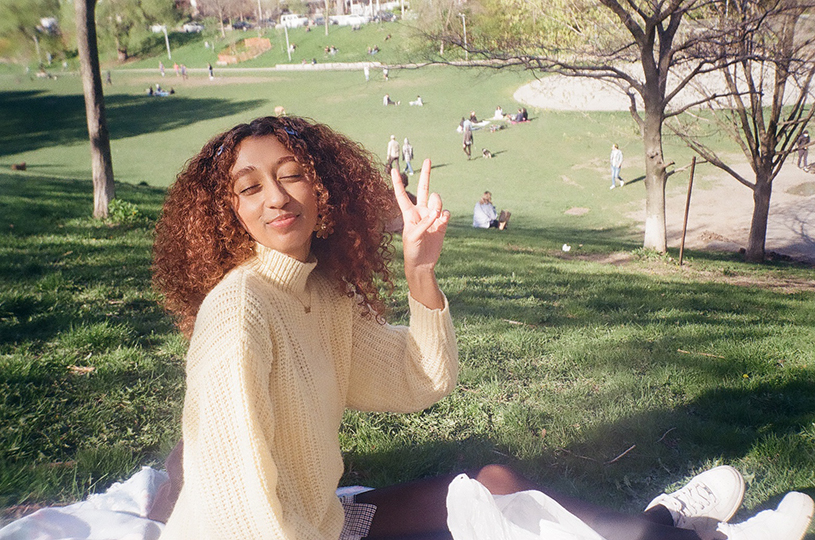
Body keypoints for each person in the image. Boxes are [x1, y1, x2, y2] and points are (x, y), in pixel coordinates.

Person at [150, 115, 813, 540]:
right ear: (225, 212)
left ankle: (661, 526)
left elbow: (421, 380)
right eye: (249, 187)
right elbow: (232, 497)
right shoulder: (238, 314)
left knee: (492, 483)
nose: (275, 196)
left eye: (291, 175)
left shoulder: (321, 294)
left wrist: (420, 273)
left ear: (325, 191)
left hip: (325, 522)